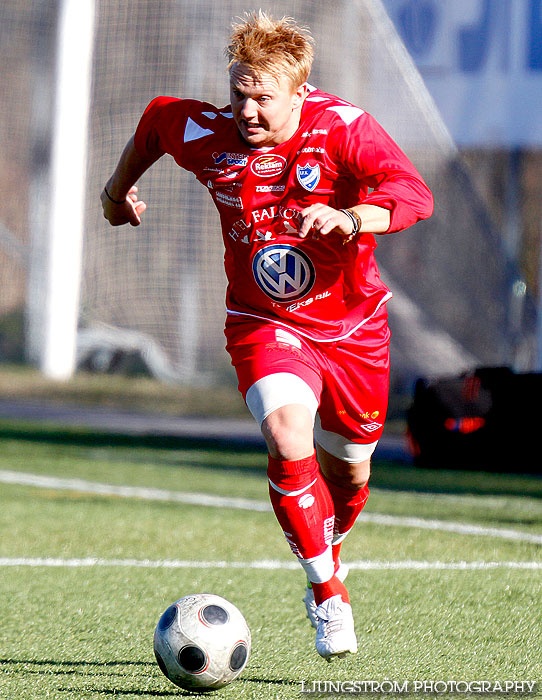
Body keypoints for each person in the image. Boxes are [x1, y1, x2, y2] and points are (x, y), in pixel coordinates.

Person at [101, 10, 434, 661]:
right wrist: (115, 196)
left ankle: (326, 548)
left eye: (263, 97)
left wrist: (350, 216)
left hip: (354, 327)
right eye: (239, 93)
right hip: (265, 322)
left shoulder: (342, 128)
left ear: (299, 93)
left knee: (352, 470)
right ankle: (328, 594)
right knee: (287, 435)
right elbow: (154, 123)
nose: (248, 110)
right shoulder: (205, 129)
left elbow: (413, 193)